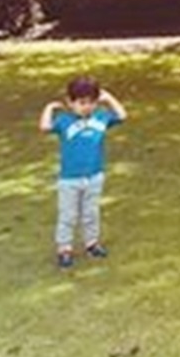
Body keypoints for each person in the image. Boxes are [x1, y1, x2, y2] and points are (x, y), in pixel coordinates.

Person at [39, 76, 129, 268]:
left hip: (94, 175)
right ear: (71, 103)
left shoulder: (101, 117)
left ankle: (92, 243)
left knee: (91, 213)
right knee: (68, 215)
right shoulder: (64, 121)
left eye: (91, 102)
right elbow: (45, 127)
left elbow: (122, 116)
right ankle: (64, 248)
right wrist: (49, 109)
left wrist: (108, 99)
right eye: (81, 103)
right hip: (70, 179)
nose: (87, 107)